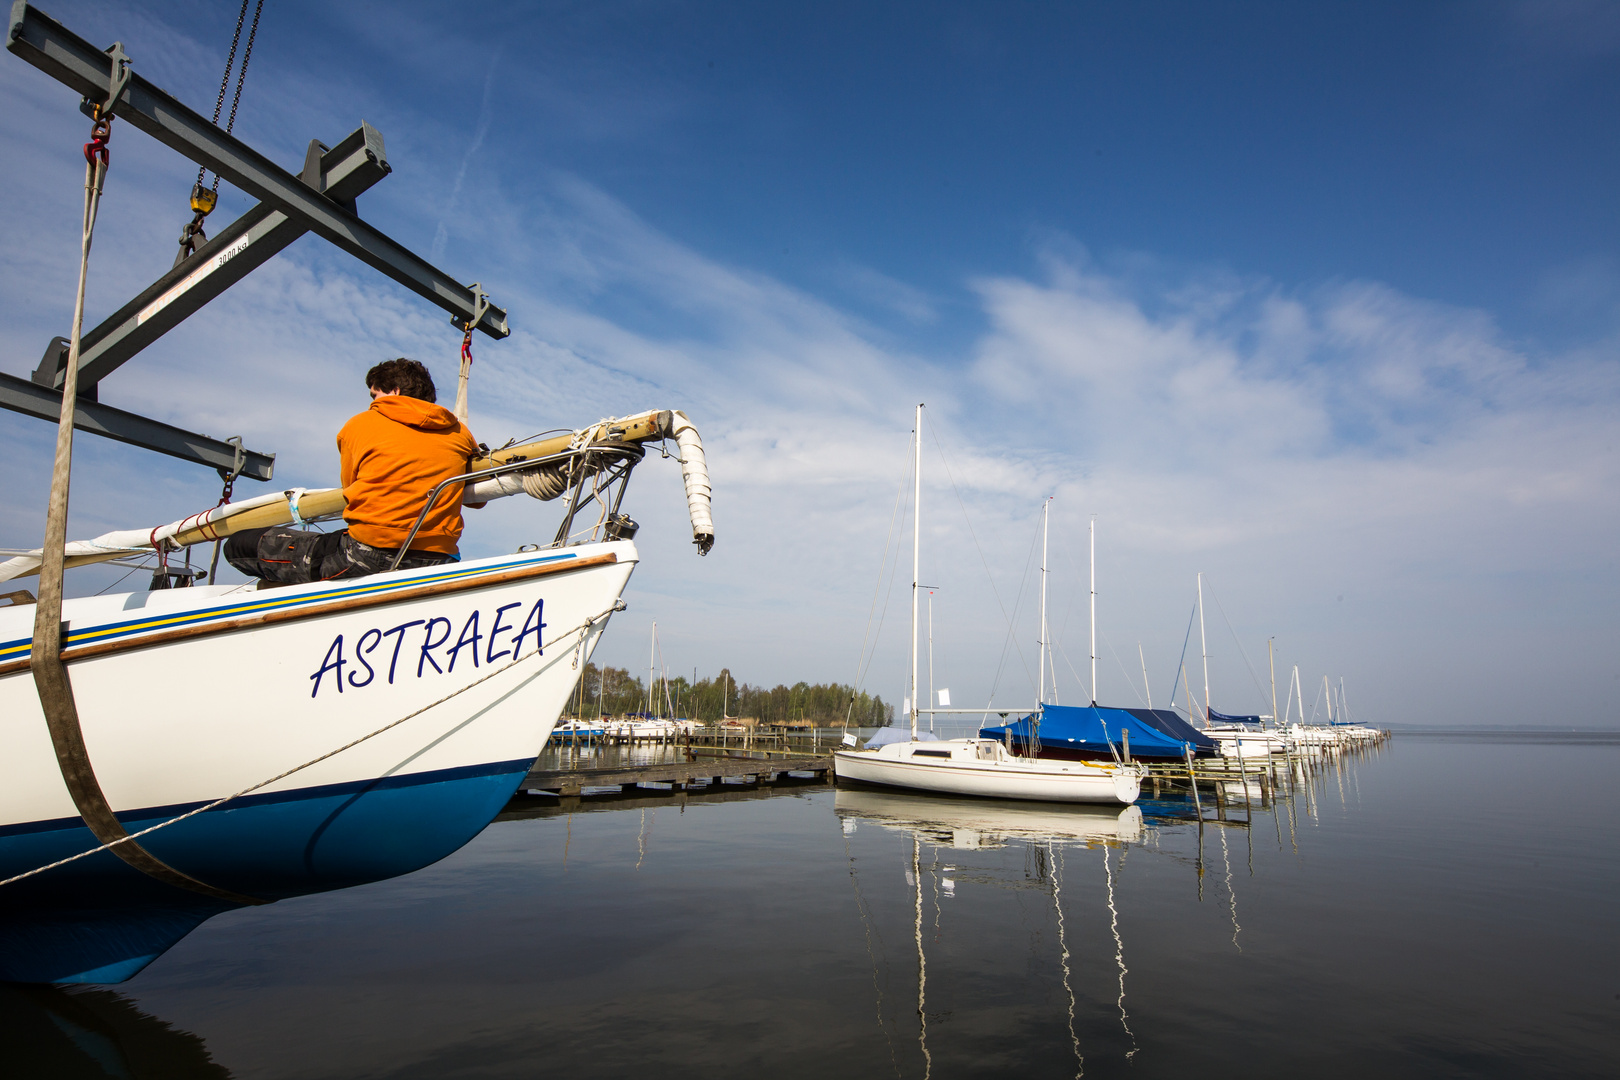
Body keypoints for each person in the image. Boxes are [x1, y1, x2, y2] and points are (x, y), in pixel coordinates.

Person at [225, 358, 481, 584]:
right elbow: (477, 500)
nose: (372, 403)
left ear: (395, 391)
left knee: (238, 546)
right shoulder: (459, 431)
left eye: (374, 395)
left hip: (369, 553)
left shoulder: (361, 424)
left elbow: (350, 487)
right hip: (441, 558)